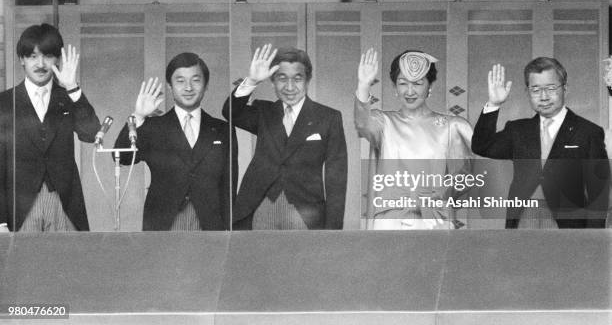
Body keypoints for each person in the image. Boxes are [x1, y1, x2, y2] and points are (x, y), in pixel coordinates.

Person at [472, 59, 610, 228]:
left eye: (551, 88)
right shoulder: (517, 130)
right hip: (523, 217)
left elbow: (599, 191)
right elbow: (481, 146)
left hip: (568, 222)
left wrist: (592, 237)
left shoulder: (588, 132)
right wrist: (494, 104)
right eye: (536, 89)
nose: (544, 96)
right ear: (527, 92)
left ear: (565, 88)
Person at [223, 45, 347, 230]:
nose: (290, 87)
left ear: (307, 80)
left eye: (298, 79)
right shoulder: (264, 112)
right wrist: (252, 80)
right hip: (259, 208)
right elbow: (230, 113)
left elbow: (336, 178)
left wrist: (333, 230)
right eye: (282, 79)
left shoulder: (328, 118)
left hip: (306, 213)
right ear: (272, 82)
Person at [114, 52, 236, 231]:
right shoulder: (153, 126)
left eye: (195, 80)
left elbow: (228, 187)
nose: (188, 87)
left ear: (206, 85)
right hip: (163, 222)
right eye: (180, 81)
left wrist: (229, 230)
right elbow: (121, 157)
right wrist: (138, 116)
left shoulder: (222, 129)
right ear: (170, 86)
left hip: (210, 224)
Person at [355, 48, 473, 230]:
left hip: (433, 219)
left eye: (417, 83)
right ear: (395, 87)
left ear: (430, 86)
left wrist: (434, 196)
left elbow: (465, 177)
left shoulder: (452, 126)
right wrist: (363, 85)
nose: (410, 91)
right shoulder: (384, 122)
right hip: (390, 220)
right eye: (403, 83)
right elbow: (362, 124)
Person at [0, 23, 101, 232]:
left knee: (67, 263)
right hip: (20, 206)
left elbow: (91, 133)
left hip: (65, 202)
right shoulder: (4, 102)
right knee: (24, 264)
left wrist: (72, 87)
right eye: (33, 56)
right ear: (22, 60)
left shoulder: (68, 97)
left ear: (58, 59)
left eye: (47, 56)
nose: (40, 64)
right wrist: (0, 220)